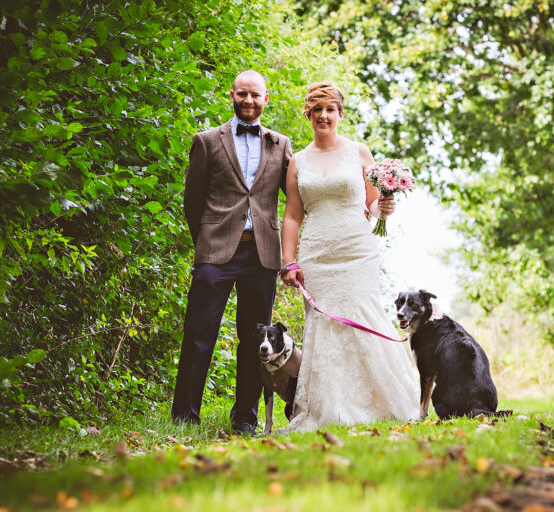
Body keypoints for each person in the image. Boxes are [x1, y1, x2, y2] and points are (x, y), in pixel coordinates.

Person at [279, 82, 418, 431]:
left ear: (340, 114)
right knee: (325, 326)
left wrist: (385, 207)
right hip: (317, 255)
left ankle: (384, 403)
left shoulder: (358, 152)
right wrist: (289, 260)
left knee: (363, 318)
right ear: (308, 115)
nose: (323, 116)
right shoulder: (297, 162)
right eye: (317, 110)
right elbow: (293, 215)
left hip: (357, 250)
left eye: (330, 110)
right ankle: (331, 408)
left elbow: (373, 204)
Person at [172, 70, 293, 434]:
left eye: (255, 96)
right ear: (232, 95)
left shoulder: (281, 144)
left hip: (262, 256)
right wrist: (206, 242)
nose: (249, 101)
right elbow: (192, 201)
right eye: (242, 94)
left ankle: (245, 419)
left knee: (257, 341)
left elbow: (297, 200)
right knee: (198, 333)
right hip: (215, 254)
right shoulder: (207, 141)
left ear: (265, 100)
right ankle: (184, 417)